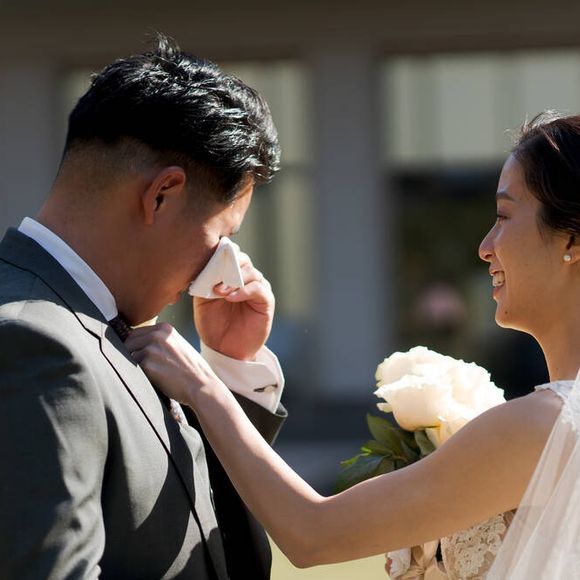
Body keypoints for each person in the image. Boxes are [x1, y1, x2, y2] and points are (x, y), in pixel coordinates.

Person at [126, 112, 580, 578]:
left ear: (572, 237)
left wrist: (205, 389)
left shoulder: (547, 426)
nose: (485, 246)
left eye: (503, 216)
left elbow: (312, 532)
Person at [0, 35, 286, 579]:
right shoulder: (32, 343)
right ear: (161, 195)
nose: (220, 269)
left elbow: (223, 554)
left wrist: (226, 375)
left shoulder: (90, 325)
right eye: (221, 238)